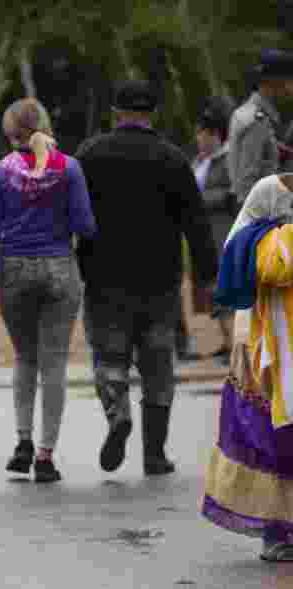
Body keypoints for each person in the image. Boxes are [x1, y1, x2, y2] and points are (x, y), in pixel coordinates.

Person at [75, 80, 218, 476]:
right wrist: (208, 274)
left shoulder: (91, 154)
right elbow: (196, 221)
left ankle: (118, 413)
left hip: (104, 277)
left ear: (117, 112)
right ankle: (154, 455)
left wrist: (72, 258)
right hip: (160, 279)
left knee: (109, 354)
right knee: (158, 364)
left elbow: (69, 210)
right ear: (152, 113)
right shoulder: (173, 158)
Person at [0, 98, 96, 483]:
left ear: (10, 133)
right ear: (43, 126)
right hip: (60, 265)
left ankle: (22, 442)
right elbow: (86, 225)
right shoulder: (69, 169)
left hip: (14, 269)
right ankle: (46, 455)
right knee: (55, 363)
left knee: (26, 358)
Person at [203, 175, 293, 561]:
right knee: (273, 441)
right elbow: (275, 269)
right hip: (266, 347)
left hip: (276, 346)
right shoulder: (267, 228)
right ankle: (278, 532)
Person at [191, 103, 236, 363]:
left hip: (222, 232)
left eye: (203, 133)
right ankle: (224, 341)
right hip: (203, 234)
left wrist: (199, 199)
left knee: (225, 289)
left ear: (215, 134)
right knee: (211, 290)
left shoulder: (229, 160)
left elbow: (232, 194)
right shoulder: (199, 161)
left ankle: (234, 346)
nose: (199, 138)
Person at [229, 49, 293, 209]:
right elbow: (247, 185)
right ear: (276, 82)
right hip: (262, 221)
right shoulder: (257, 121)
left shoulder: (250, 113)